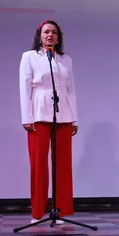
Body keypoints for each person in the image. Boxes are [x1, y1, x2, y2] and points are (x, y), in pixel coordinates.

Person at [20, 20, 79, 224]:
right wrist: (27, 117)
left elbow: (71, 89)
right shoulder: (29, 57)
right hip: (38, 113)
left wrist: (74, 118)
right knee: (39, 164)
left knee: (63, 165)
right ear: (40, 36)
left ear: (58, 37)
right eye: (46, 32)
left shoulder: (65, 59)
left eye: (54, 32)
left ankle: (60, 210)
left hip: (63, 114)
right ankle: (37, 212)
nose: (50, 35)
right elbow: (24, 88)